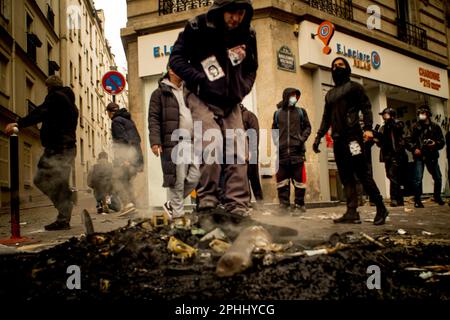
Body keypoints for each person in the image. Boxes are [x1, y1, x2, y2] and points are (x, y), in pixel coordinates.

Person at [169, 0, 258, 218]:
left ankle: (237, 205)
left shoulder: (248, 34)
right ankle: (208, 200)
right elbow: (176, 59)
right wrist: (199, 80)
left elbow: (251, 68)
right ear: (220, 10)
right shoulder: (197, 27)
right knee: (212, 142)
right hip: (201, 95)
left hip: (230, 100)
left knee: (237, 148)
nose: (236, 18)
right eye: (231, 13)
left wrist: (241, 90)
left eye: (240, 13)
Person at [312, 57, 389, 225]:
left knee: (362, 172)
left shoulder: (355, 87)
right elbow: (326, 118)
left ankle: (381, 207)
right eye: (333, 65)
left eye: (340, 65)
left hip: (353, 139)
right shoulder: (330, 94)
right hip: (338, 141)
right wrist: (318, 137)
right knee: (346, 176)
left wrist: (368, 129)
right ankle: (352, 211)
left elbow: (366, 107)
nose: (336, 67)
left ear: (347, 68)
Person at [5, 75, 78, 231]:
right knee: (59, 181)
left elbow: (40, 112)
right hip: (66, 147)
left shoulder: (56, 97)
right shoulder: (70, 102)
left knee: (42, 180)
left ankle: (64, 211)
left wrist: (19, 123)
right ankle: (64, 212)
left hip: (59, 147)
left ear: (49, 87)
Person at [148, 67, 200, 220]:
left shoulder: (189, 91)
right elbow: (153, 119)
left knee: (196, 176)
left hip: (193, 141)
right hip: (174, 142)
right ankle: (178, 217)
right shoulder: (159, 93)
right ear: (170, 70)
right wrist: (155, 141)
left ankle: (172, 204)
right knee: (177, 181)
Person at [272, 88, 311, 215]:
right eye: (292, 96)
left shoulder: (301, 112)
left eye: (296, 96)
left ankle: (299, 205)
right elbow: (274, 129)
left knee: (299, 181)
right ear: (286, 97)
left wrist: (301, 139)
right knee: (282, 181)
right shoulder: (278, 113)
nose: (295, 98)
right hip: (282, 153)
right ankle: (284, 206)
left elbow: (308, 127)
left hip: (297, 152)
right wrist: (277, 142)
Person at [106, 102, 144, 216]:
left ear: (110, 112)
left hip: (127, 157)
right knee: (127, 181)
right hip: (135, 157)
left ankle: (128, 205)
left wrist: (124, 159)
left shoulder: (116, 121)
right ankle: (132, 206)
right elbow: (137, 139)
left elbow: (122, 140)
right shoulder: (128, 121)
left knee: (118, 179)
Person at [406, 105, 445, 207]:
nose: (421, 115)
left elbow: (442, 141)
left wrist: (434, 144)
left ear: (427, 114)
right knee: (418, 178)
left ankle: (437, 197)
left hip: (432, 155)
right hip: (419, 155)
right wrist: (414, 149)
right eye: (419, 113)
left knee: (438, 177)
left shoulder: (435, 127)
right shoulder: (414, 126)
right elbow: (408, 140)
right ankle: (417, 200)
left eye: (422, 113)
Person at [373, 107, 408, 207]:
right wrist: (377, 139)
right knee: (391, 175)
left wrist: (390, 120)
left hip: (396, 153)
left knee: (393, 175)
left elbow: (398, 129)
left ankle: (394, 199)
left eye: (386, 114)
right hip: (387, 154)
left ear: (391, 115)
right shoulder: (382, 128)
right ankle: (399, 199)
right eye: (383, 115)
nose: (384, 116)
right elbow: (381, 143)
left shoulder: (397, 123)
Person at [241, 104, 263, 205]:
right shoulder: (233, 117)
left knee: (253, 177)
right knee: (243, 179)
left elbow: (255, 133)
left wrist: (252, 151)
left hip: (251, 152)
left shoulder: (249, 115)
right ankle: (247, 202)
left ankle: (260, 202)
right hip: (239, 153)